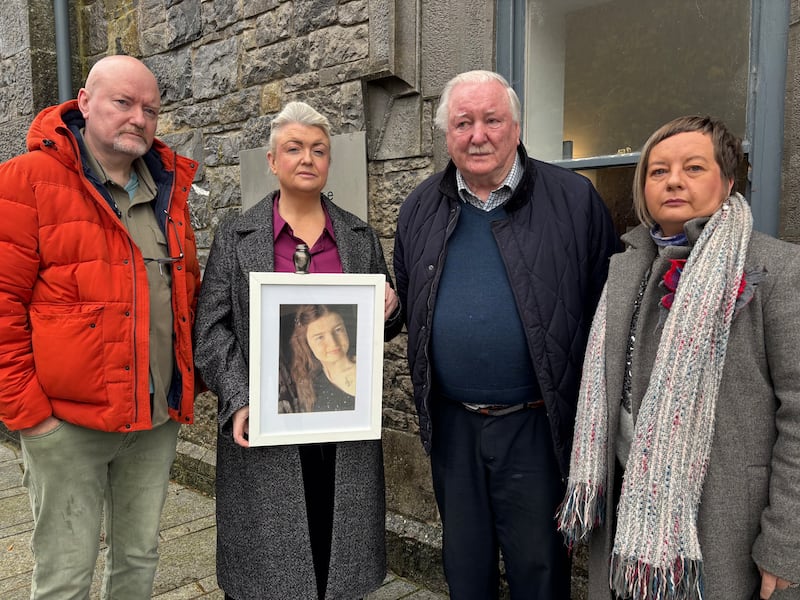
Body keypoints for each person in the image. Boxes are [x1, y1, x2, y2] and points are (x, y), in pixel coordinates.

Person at [393, 70, 617, 599]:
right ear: (446, 134)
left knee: (540, 572)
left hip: (537, 427)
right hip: (454, 429)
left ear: (515, 127)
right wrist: (383, 311)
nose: (478, 135)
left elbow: (607, 309)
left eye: (491, 120)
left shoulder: (574, 201)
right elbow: (407, 304)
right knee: (465, 573)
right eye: (463, 122)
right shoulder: (419, 206)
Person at [557, 115, 800, 600]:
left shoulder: (777, 269)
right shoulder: (627, 268)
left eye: (693, 167)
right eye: (657, 171)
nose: (672, 180)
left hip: (726, 522)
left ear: (729, 180)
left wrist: (784, 545)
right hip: (633, 510)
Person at [0, 54, 200, 598]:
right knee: (66, 574)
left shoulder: (167, 193)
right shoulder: (26, 182)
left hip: (154, 420)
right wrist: (30, 418)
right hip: (66, 428)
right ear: (84, 104)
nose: (139, 117)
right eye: (124, 102)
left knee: (138, 559)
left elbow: (185, 297)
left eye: (151, 109)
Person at [193, 101, 402, 600]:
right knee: (268, 564)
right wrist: (242, 397)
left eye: (318, 150)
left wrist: (390, 309)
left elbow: (382, 325)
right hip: (268, 425)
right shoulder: (236, 237)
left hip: (342, 425)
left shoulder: (358, 236)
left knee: (337, 552)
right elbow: (210, 328)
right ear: (272, 160)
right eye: (294, 148)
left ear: (329, 162)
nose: (307, 158)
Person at [290, 304, 358, 413]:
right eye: (320, 337)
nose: (333, 342)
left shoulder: (368, 367)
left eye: (338, 330)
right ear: (306, 344)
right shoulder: (310, 384)